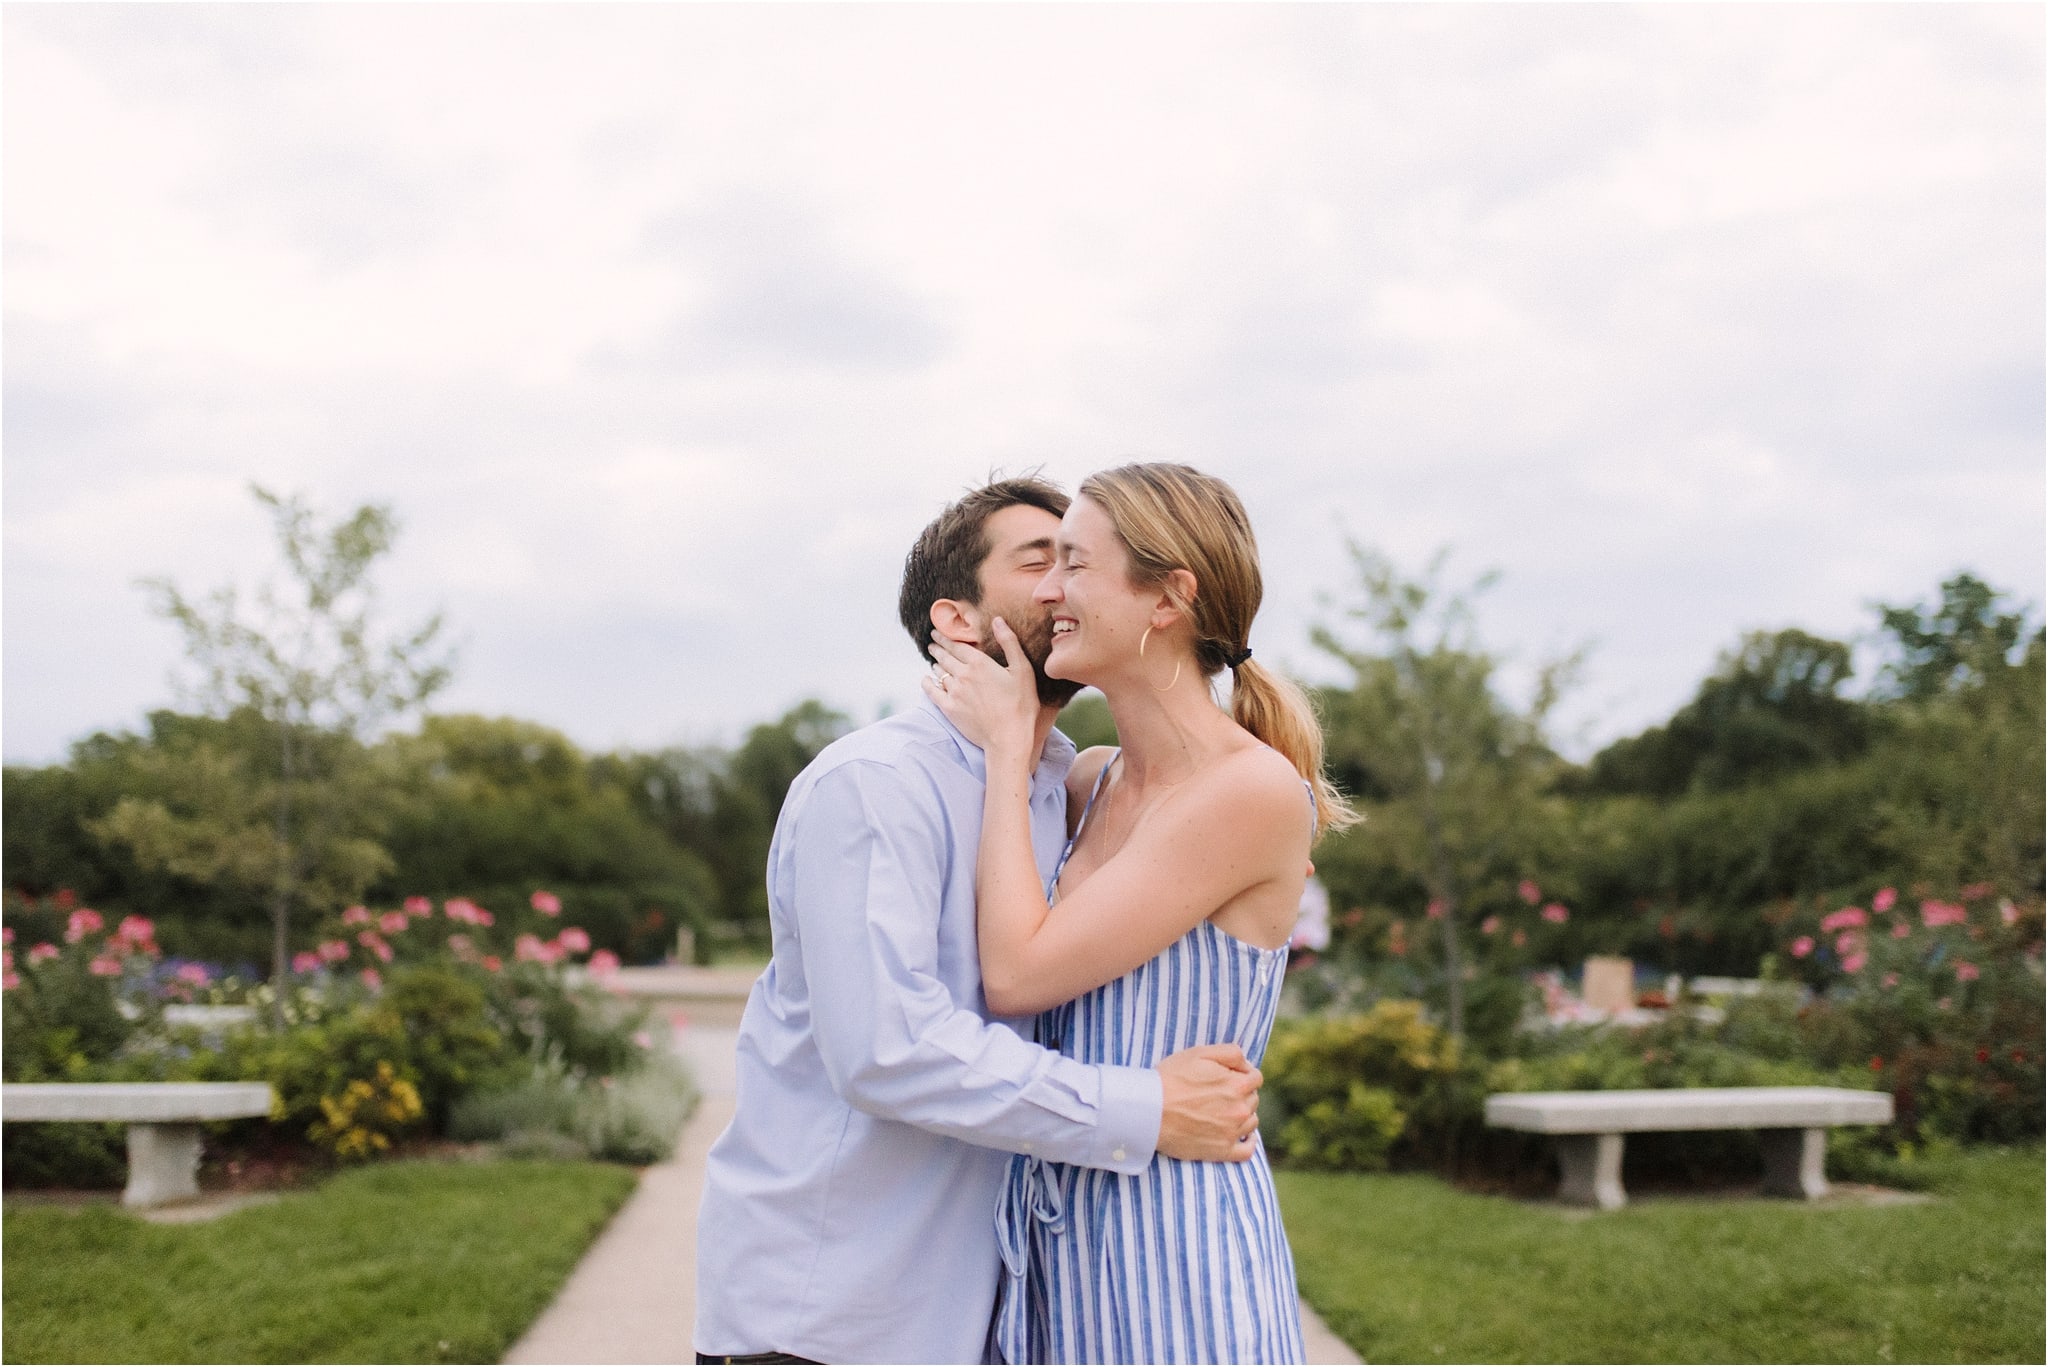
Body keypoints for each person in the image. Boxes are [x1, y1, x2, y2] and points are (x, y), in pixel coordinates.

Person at [693, 476, 1265, 1366]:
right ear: (957, 622)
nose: (1064, 588)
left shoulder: (1065, 788)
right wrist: (1145, 1105)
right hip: (834, 1320)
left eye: (1078, 561)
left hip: (991, 1320)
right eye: (1042, 561)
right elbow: (887, 1047)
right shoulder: (876, 785)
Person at [925, 462, 1358, 1365]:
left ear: (1168, 597)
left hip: (1177, 1263)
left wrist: (1009, 748)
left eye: (1074, 565)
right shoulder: (1091, 779)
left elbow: (1017, 972)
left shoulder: (1251, 791)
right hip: (1052, 1254)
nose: (1049, 593)